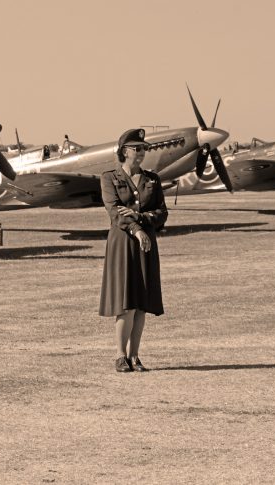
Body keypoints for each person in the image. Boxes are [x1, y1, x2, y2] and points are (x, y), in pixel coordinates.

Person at [100, 128, 168, 372]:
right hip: (123, 242)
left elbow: (162, 213)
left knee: (142, 304)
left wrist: (139, 217)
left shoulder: (153, 179)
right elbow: (115, 210)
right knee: (126, 302)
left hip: (146, 243)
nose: (142, 152)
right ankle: (120, 356)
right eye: (136, 148)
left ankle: (135, 356)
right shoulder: (109, 178)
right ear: (123, 151)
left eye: (144, 148)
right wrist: (137, 229)